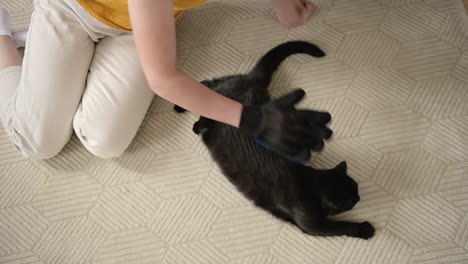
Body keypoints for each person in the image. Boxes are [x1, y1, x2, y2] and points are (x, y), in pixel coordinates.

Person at [0, 0, 331, 162]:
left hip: (139, 25)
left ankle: (61, 54)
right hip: (73, 8)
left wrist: (285, 6)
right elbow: (163, 79)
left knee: (104, 141)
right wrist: (253, 120)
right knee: (37, 143)